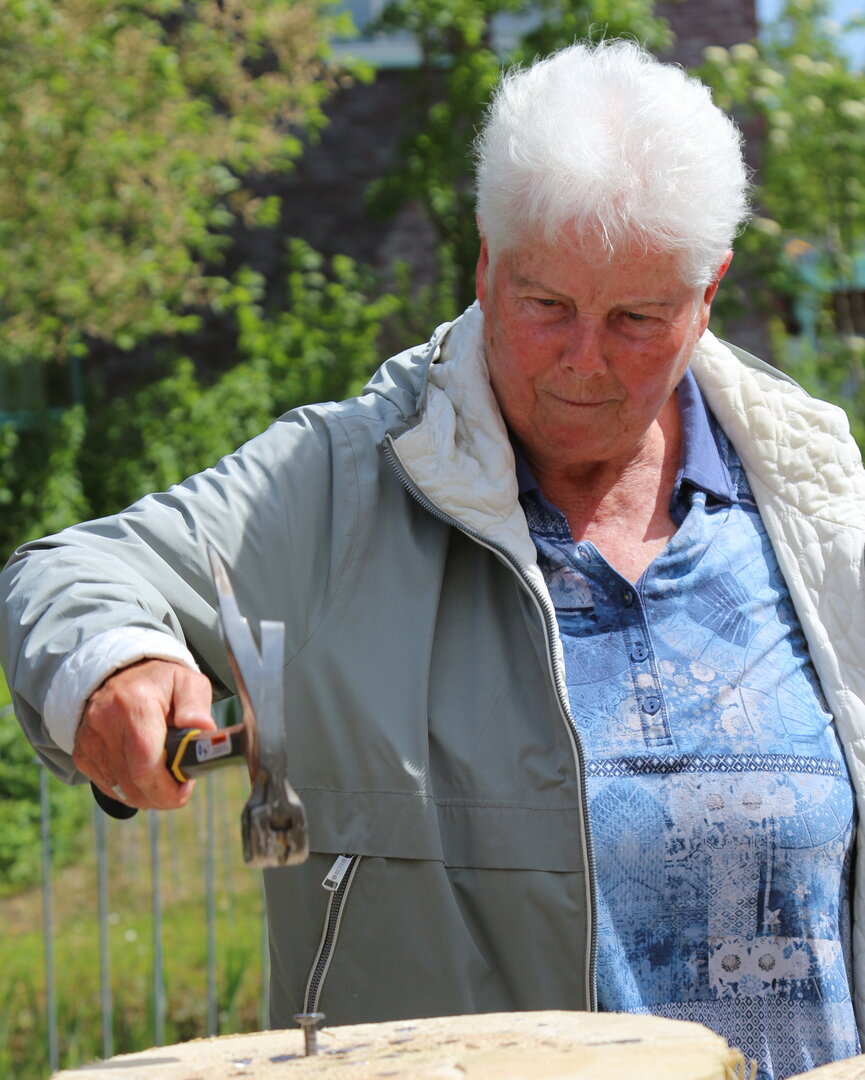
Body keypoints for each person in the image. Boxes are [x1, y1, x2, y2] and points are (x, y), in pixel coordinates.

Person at [2, 39, 864, 1080]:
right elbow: (73, 575)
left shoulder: (814, 496)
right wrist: (112, 665)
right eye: (545, 305)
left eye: (636, 319)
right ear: (487, 265)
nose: (584, 360)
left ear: (708, 290)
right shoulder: (341, 482)